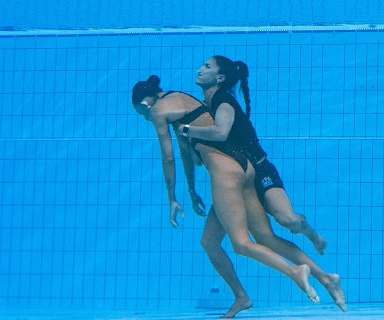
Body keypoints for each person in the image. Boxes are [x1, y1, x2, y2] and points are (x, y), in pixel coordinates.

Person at [130, 75, 320, 311]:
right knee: (212, 241)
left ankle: (295, 272)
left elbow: (167, 157)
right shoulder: (180, 100)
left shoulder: (158, 111)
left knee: (242, 244)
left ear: (144, 104)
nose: (147, 118)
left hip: (225, 173)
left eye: (142, 114)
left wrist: (172, 199)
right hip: (244, 166)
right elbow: (185, 154)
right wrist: (191, 189)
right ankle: (242, 297)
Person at [181, 56, 346, 317]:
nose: (200, 69)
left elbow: (222, 132)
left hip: (259, 170)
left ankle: (311, 235)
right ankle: (326, 279)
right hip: (237, 179)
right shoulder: (206, 105)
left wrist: (187, 130)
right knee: (255, 239)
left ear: (221, 78)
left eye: (208, 67)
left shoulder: (223, 101)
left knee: (288, 221)